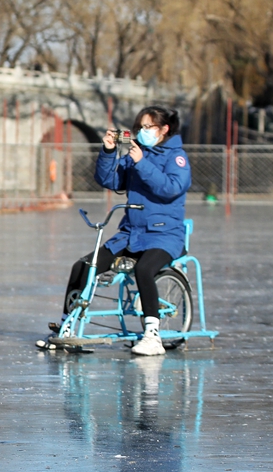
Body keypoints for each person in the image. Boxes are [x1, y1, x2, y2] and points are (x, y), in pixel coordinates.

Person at [52, 105, 191, 356]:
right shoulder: (137, 153)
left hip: (165, 234)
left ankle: (152, 335)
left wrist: (142, 163)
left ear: (164, 129)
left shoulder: (176, 157)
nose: (142, 131)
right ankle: (66, 326)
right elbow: (110, 180)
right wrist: (108, 151)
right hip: (131, 234)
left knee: (144, 268)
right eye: (139, 127)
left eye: (148, 127)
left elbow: (171, 188)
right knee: (84, 266)